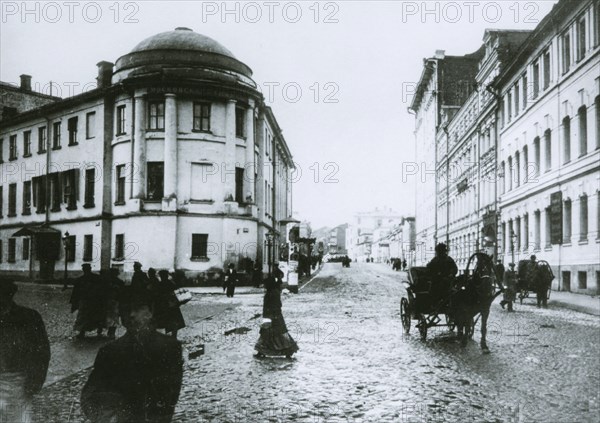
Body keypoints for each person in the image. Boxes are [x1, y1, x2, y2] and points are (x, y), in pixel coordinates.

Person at [81, 288, 183, 423]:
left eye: (138, 309)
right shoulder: (110, 352)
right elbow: (90, 394)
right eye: (126, 310)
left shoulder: (170, 347)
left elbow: (171, 392)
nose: (131, 315)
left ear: (150, 312)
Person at [0, 279, 50, 423]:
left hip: (18, 383)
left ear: (10, 295)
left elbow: (41, 353)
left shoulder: (29, 318)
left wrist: (35, 382)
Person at [254, 274, 299, 359]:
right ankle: (261, 351)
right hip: (269, 316)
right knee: (266, 334)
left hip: (274, 316)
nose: (265, 286)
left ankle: (288, 350)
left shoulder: (273, 292)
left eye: (266, 284)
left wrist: (273, 315)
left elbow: (277, 305)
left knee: (278, 334)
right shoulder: (272, 291)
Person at [71, 264, 108, 339]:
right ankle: (95, 331)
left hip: (90, 301)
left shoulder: (82, 279)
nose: (86, 270)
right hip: (90, 301)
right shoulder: (94, 278)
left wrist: (74, 302)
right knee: (89, 316)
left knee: (87, 316)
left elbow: (76, 293)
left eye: (86, 269)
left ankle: (84, 332)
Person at [154, 270, 186, 339]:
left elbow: (157, 295)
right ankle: (174, 336)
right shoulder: (170, 283)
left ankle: (168, 336)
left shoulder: (160, 284)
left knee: (166, 321)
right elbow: (176, 291)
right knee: (174, 321)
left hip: (164, 306)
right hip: (172, 305)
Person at [105, 268, 125, 340]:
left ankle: (112, 332)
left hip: (115, 301)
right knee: (110, 317)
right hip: (109, 301)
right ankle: (110, 332)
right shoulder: (107, 282)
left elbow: (122, 293)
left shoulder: (119, 282)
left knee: (114, 317)